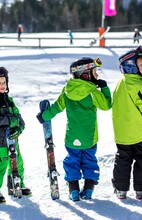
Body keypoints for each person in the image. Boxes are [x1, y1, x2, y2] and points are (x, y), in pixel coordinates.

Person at [36, 57, 112, 201]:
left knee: (72, 161)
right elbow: (107, 105)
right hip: (90, 138)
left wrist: (44, 116)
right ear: (85, 74)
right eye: (95, 73)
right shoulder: (92, 92)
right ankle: (88, 189)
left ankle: (74, 191)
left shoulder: (67, 90)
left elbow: (56, 107)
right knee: (89, 161)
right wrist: (104, 88)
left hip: (72, 138)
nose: (97, 76)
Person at [111, 46, 142, 200]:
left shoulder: (121, 83)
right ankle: (141, 190)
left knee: (123, 160)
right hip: (138, 133)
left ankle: (120, 190)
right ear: (131, 67)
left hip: (122, 133)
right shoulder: (137, 85)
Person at [0, 67, 31, 203]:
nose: (2, 85)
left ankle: (15, 184)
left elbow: (19, 118)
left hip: (12, 139)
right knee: (0, 164)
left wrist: (19, 128)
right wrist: (12, 121)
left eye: (4, 82)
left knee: (18, 162)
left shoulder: (9, 100)